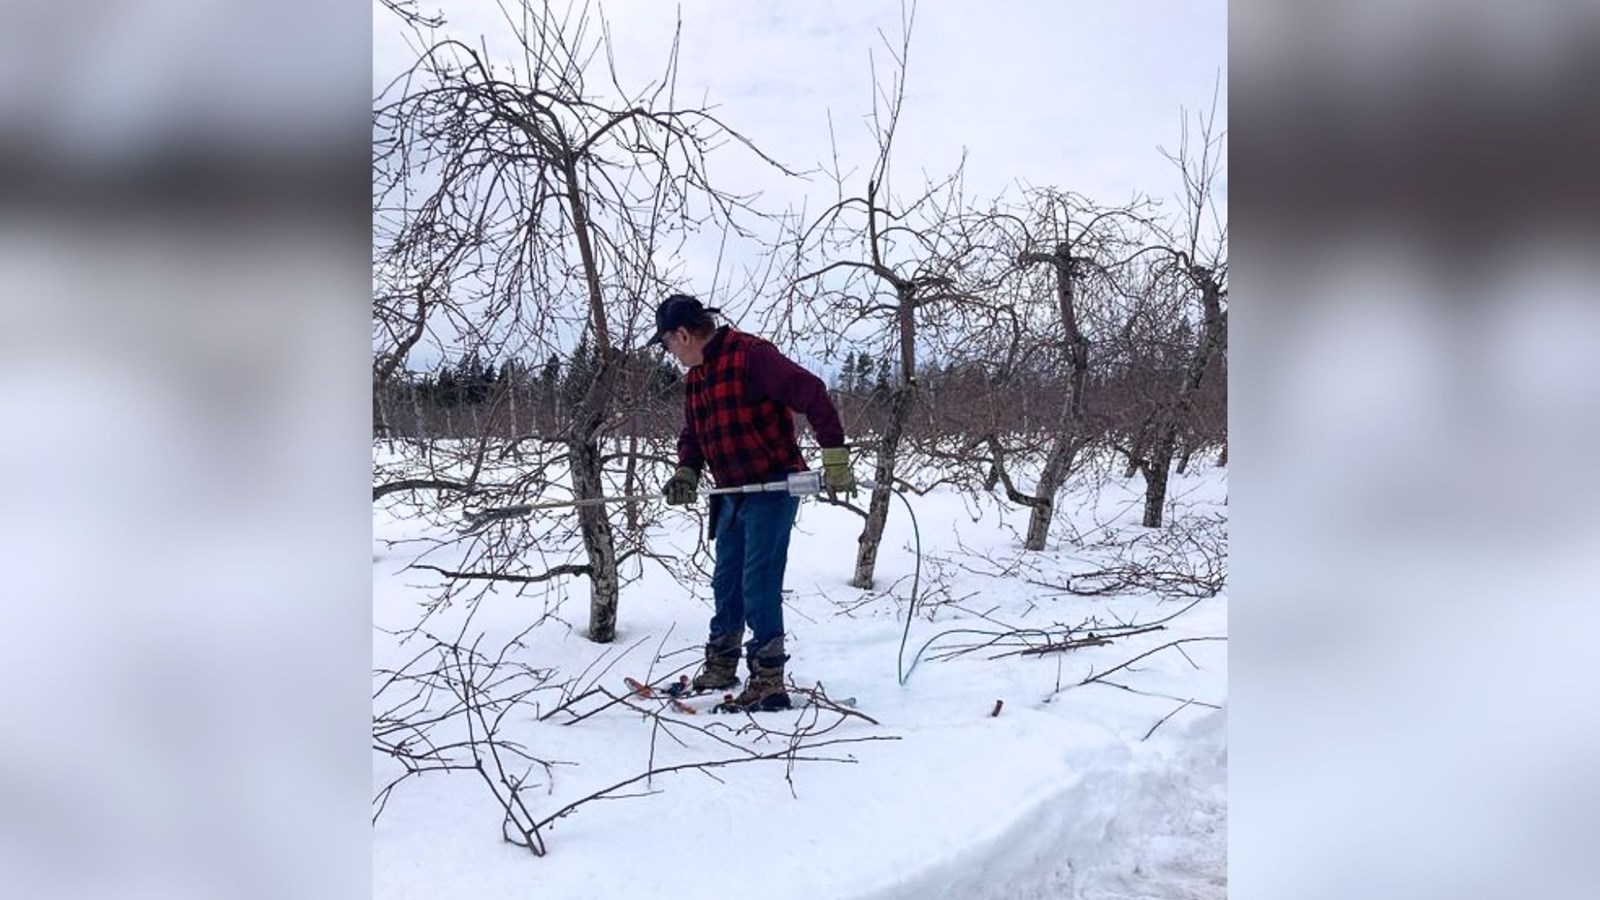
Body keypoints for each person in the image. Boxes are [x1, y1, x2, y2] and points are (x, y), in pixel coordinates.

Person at [646, 293, 857, 711]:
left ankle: (767, 678)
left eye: (668, 344)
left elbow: (812, 392)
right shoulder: (696, 378)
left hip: (773, 487)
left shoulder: (751, 356)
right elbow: (693, 434)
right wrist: (686, 472)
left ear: (683, 334)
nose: (670, 353)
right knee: (726, 581)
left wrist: (835, 456)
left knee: (757, 582)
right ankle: (722, 663)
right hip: (731, 494)